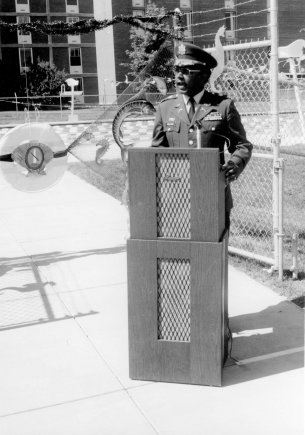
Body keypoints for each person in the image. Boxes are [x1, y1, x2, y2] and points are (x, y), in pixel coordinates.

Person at [151, 42, 253, 230]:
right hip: (175, 200)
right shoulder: (165, 108)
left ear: (205, 75)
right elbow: (157, 151)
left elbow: (242, 145)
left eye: (186, 70)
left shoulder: (222, 106)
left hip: (213, 196)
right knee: (179, 255)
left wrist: (234, 165)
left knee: (211, 255)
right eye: (176, 69)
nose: (178, 76)